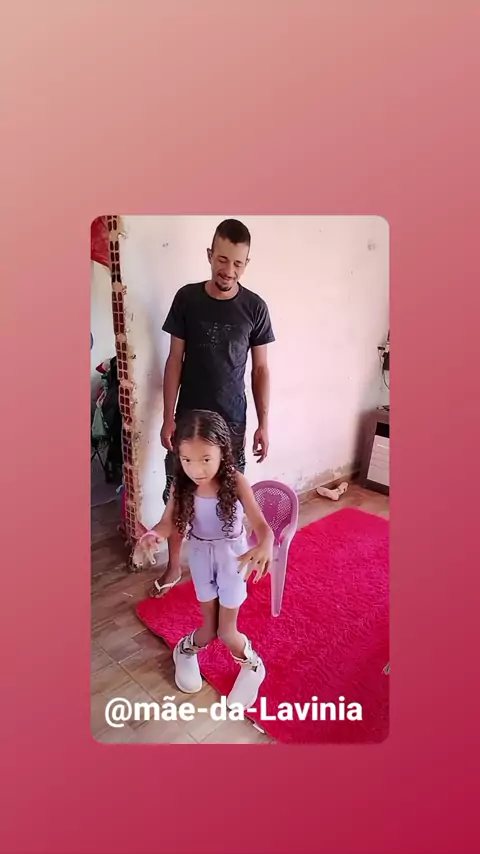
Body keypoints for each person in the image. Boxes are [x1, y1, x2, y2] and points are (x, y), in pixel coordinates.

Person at [151, 218, 275, 598]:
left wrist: (264, 423)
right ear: (210, 255)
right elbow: (174, 360)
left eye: (238, 263)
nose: (229, 270)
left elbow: (260, 369)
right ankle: (174, 564)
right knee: (178, 492)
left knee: (228, 498)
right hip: (188, 422)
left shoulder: (255, 307)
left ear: (246, 264)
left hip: (232, 424)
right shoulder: (187, 299)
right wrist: (168, 417)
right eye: (222, 260)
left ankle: (226, 565)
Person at [134, 410, 274, 709]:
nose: (196, 469)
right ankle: (184, 651)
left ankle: (253, 665)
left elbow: (262, 526)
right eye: (187, 460)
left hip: (233, 559)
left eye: (206, 459)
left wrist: (265, 543)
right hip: (199, 556)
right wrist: (154, 535)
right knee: (209, 630)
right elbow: (167, 523)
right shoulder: (182, 485)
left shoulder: (236, 482)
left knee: (227, 631)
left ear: (223, 451)